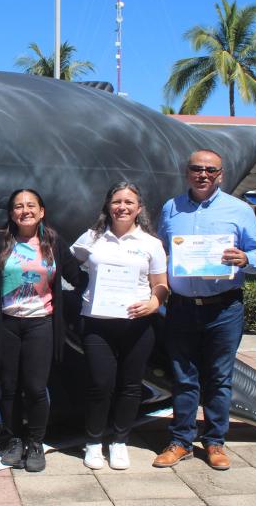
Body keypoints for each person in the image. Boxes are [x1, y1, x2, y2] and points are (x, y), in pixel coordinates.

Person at [152, 149, 256, 471]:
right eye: (196, 169)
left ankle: (215, 441)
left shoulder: (239, 209)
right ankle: (180, 441)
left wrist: (245, 259)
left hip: (224, 308)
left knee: (219, 378)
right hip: (181, 307)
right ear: (187, 172)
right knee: (183, 377)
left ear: (221, 175)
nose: (203, 174)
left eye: (210, 170)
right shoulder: (171, 208)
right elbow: (160, 251)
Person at [0, 188, 85, 473]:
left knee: (36, 388)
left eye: (31, 205)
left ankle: (36, 443)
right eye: (18, 206)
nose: (25, 210)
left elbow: (77, 277)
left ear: (41, 211)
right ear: (11, 213)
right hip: (7, 323)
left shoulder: (53, 242)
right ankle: (14, 439)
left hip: (41, 323)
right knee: (9, 387)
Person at [70, 181, 169, 470]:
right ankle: (93, 442)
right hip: (96, 324)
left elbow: (161, 284)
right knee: (100, 384)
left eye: (128, 202)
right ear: (108, 206)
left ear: (139, 208)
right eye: (117, 202)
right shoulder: (91, 238)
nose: (122, 207)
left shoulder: (151, 244)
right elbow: (67, 265)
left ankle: (119, 441)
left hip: (137, 324)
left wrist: (154, 303)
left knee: (130, 385)